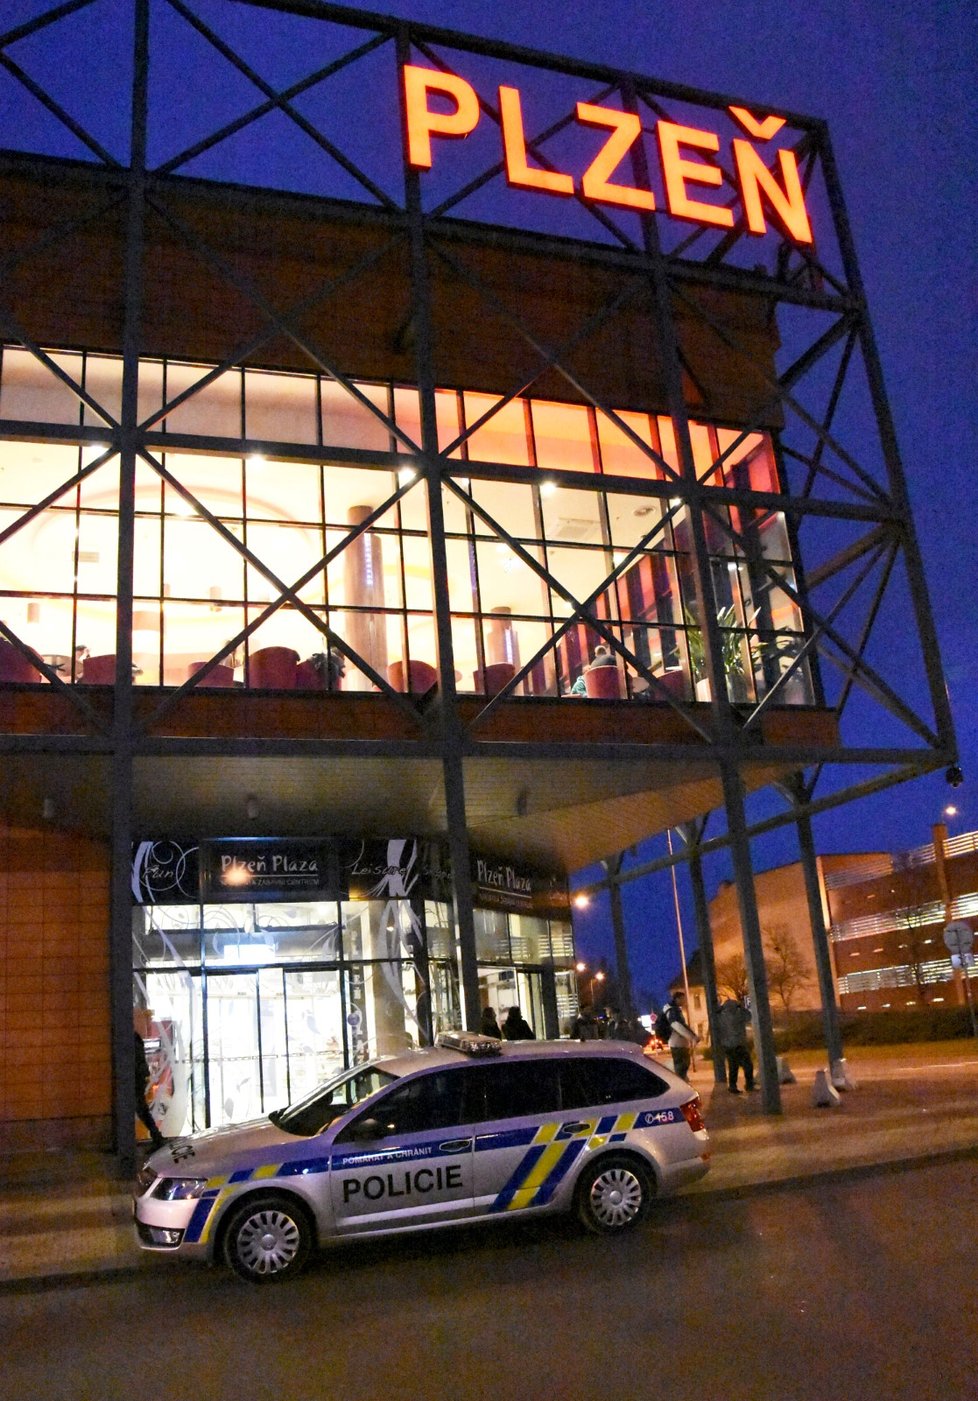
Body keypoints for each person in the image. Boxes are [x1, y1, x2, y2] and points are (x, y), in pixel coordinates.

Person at [716, 994, 755, 1093]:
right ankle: (749, 1085)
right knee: (748, 1066)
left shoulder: (720, 1016)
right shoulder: (738, 1015)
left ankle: (732, 1086)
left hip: (727, 1045)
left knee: (733, 1067)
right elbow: (749, 1017)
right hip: (739, 1044)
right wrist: (741, 1007)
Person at [134, 1028, 166, 1150]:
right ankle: (157, 1137)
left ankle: (157, 1137)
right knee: (141, 1110)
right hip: (138, 1078)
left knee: (141, 1110)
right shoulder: (135, 1037)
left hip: (135, 1079)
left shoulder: (130, 1039)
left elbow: (135, 1062)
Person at [662, 991, 698, 1081]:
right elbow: (677, 1024)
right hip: (677, 1042)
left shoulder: (675, 1010)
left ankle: (682, 1079)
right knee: (681, 1064)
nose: (685, 1001)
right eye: (683, 999)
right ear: (677, 999)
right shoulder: (673, 1011)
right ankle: (680, 1081)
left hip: (679, 1042)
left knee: (683, 1063)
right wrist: (692, 1037)